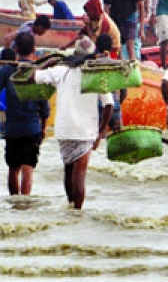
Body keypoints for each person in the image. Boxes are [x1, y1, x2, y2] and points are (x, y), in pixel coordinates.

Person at [32, 37, 113, 209]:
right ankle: (77, 211)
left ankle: (70, 205)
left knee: (68, 170)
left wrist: (48, 63)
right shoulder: (96, 75)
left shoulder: (61, 71)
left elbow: (33, 76)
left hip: (64, 130)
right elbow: (109, 104)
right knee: (80, 174)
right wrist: (101, 130)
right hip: (85, 131)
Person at [0, 33, 50, 195]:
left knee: (13, 168)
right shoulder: (37, 71)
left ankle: (14, 203)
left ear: (15, 49)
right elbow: (45, 105)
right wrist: (43, 128)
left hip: (13, 128)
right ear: (34, 50)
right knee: (28, 168)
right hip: (32, 127)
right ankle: (25, 204)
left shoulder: (8, 70)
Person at [95, 34, 123, 131]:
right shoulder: (117, 65)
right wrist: (117, 103)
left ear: (96, 47)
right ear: (111, 48)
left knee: (98, 137)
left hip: (97, 106)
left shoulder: (91, 65)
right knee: (118, 139)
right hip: (115, 104)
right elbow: (124, 91)